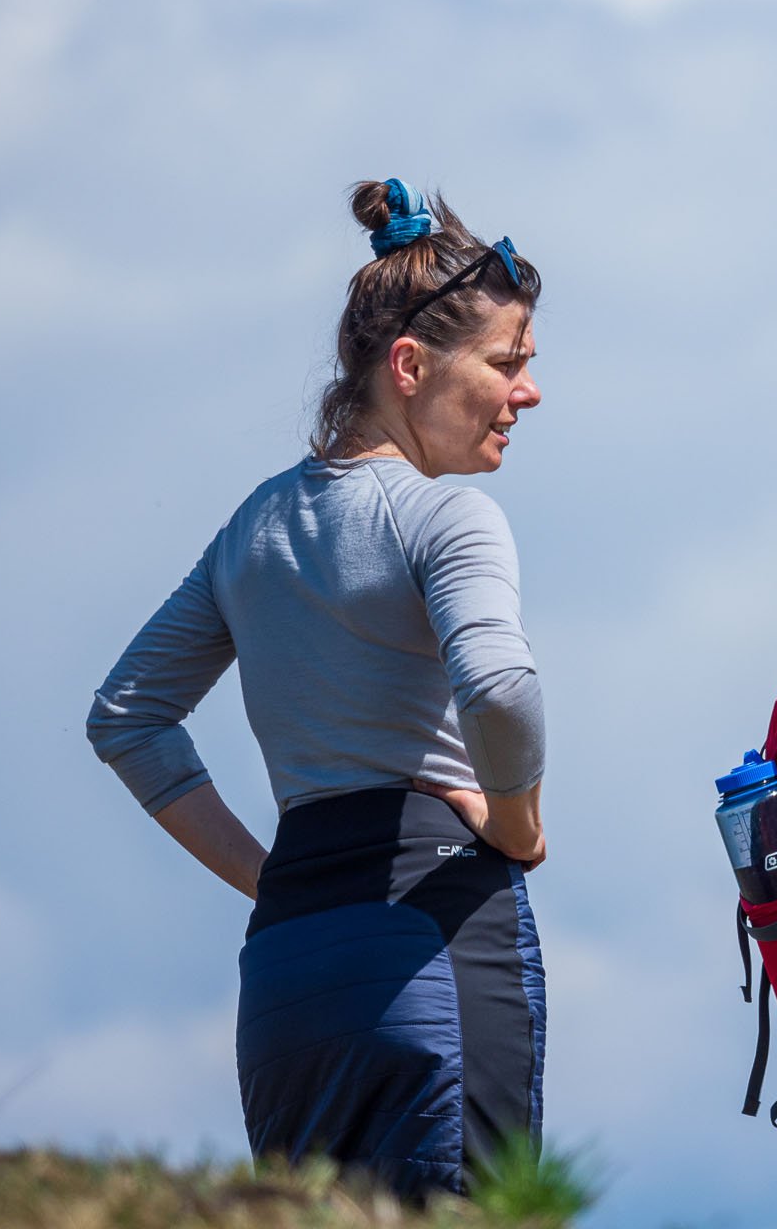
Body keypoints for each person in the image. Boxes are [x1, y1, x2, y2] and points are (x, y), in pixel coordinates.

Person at [85, 179, 549, 1199]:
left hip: (289, 972)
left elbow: (127, 717)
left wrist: (272, 878)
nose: (529, 393)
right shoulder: (446, 517)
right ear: (411, 364)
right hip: (432, 928)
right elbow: (502, 689)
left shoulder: (251, 530)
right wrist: (516, 821)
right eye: (507, 364)